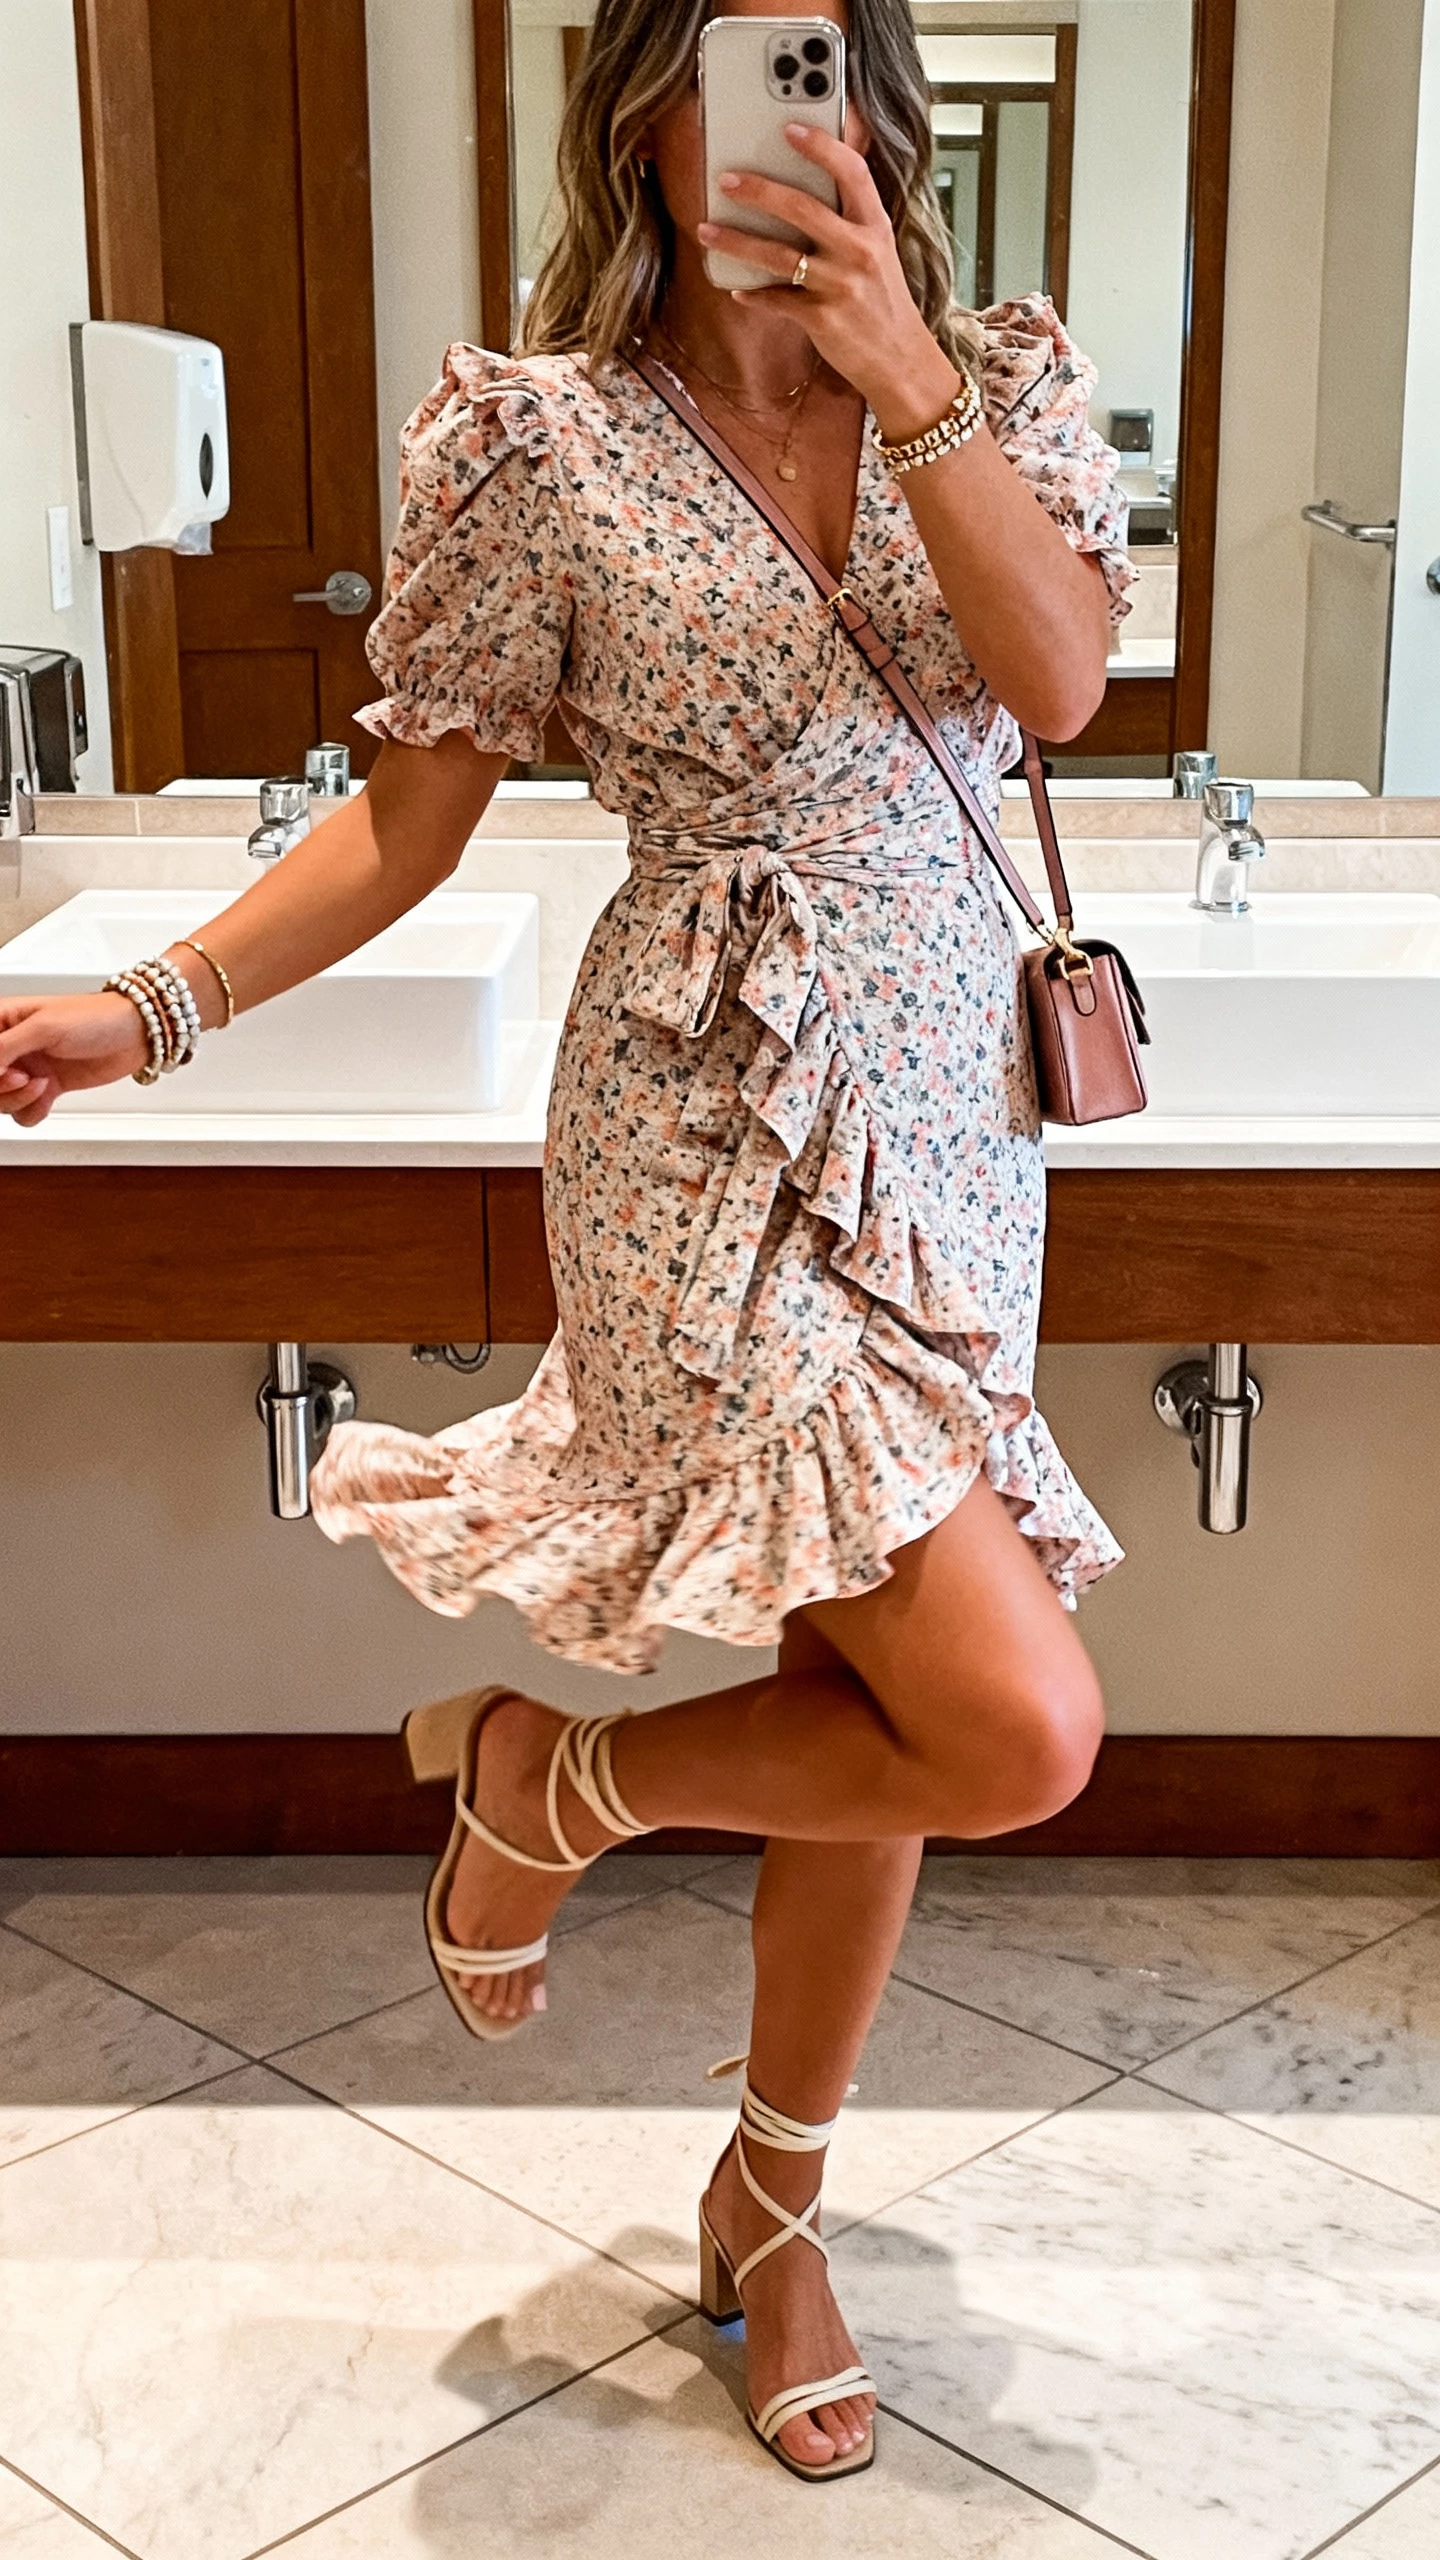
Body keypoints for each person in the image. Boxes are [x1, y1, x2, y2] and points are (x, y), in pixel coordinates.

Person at [0, 0, 1134, 2482]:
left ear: (887, 109)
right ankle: (562, 1788)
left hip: (942, 1133)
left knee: (909, 1704)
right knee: (1011, 1710)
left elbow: (1050, 681)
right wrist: (144, 999)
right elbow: (404, 827)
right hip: (689, 1131)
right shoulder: (545, 439)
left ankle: (764, 2181)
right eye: (738, 66)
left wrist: (896, 365)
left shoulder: (1007, 376)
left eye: (825, 67)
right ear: (640, 101)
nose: (783, 123)